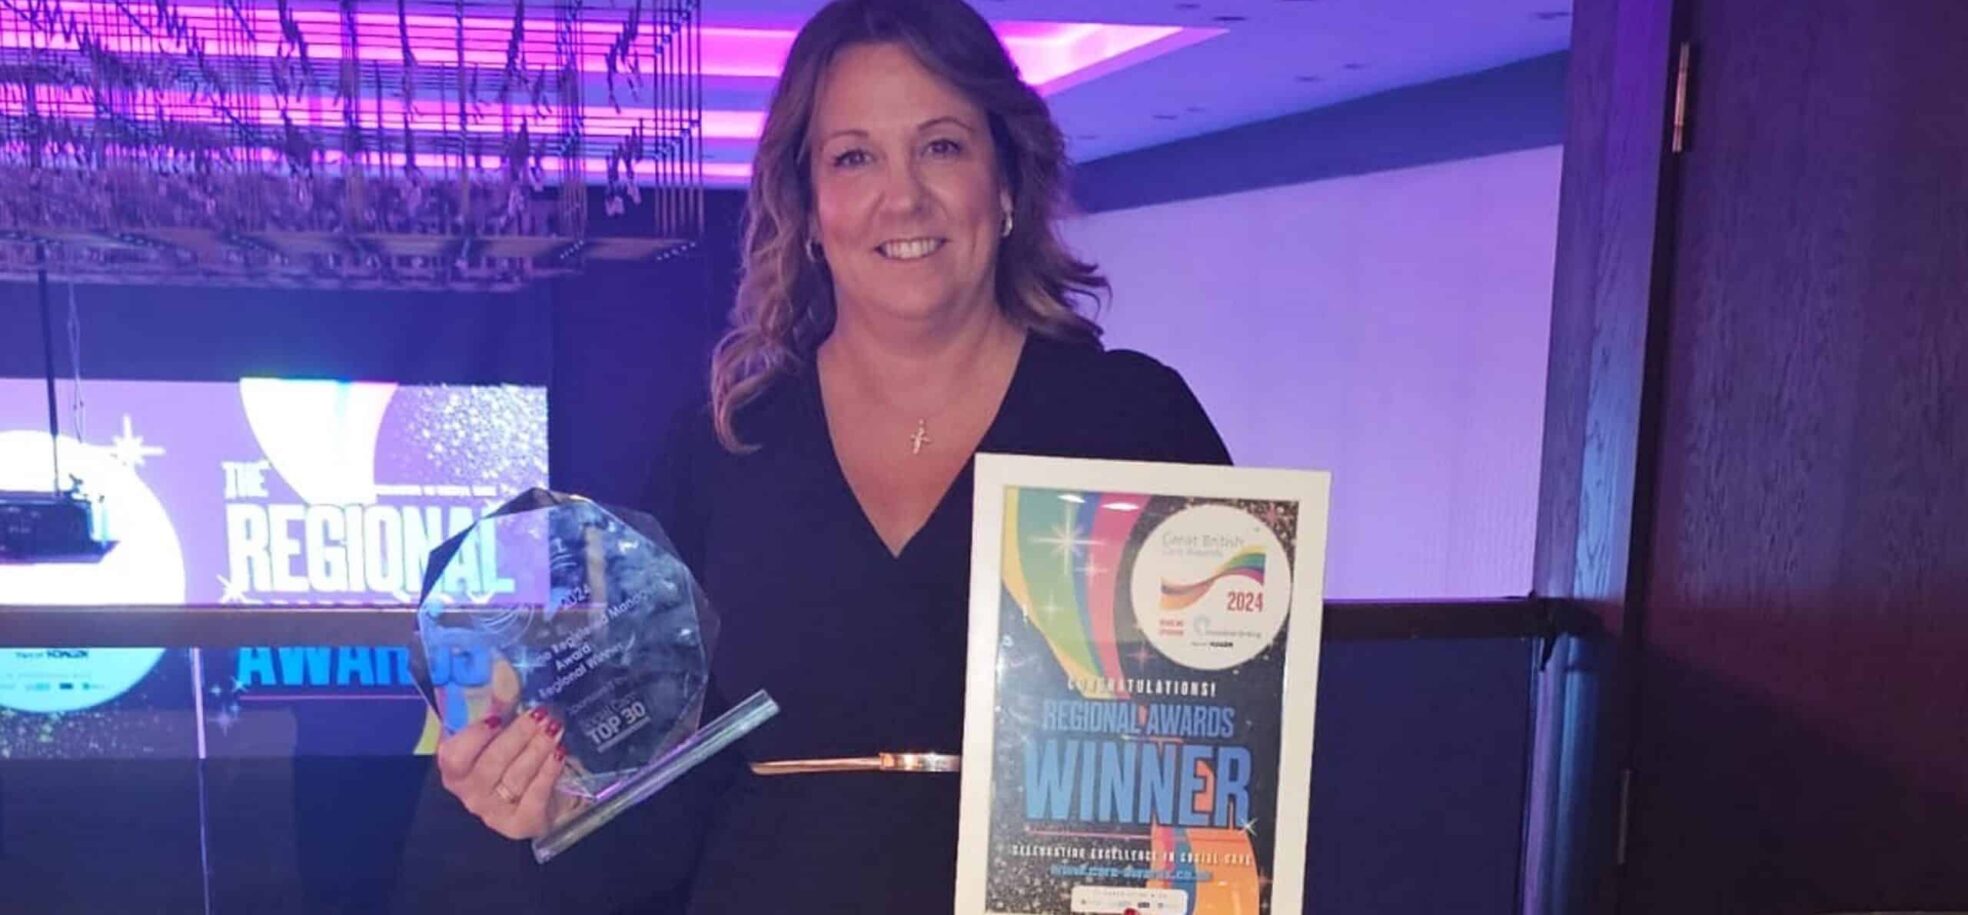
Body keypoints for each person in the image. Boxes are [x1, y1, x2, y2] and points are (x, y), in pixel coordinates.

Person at [436, 0, 1229, 910]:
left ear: (1008, 180)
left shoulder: (1134, 425)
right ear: (808, 206)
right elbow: (651, 787)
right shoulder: (721, 448)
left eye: (942, 146)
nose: (904, 198)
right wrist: (547, 797)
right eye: (854, 157)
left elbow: (1217, 769)